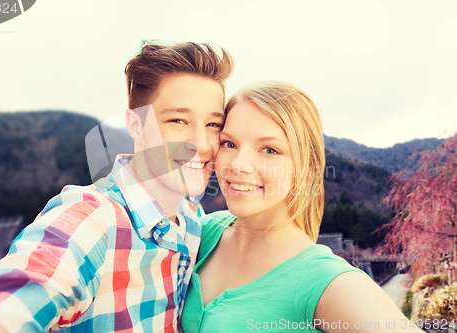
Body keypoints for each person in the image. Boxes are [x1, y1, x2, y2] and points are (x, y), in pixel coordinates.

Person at [0, 41, 233, 332]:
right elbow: (1, 309)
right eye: (178, 120)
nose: (202, 145)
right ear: (136, 126)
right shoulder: (90, 219)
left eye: (213, 124)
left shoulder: (191, 218)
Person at [180, 82, 424, 333]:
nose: (238, 164)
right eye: (229, 144)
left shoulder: (324, 281)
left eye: (269, 149)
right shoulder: (200, 233)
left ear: (305, 167)